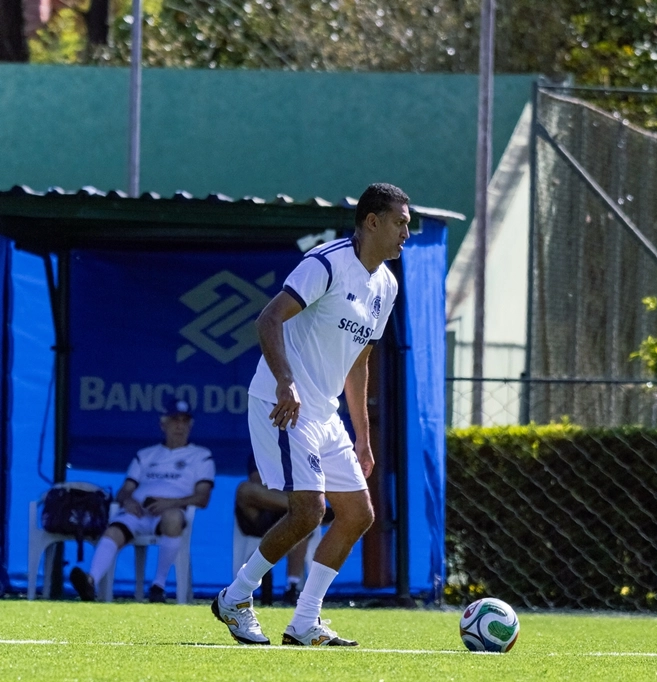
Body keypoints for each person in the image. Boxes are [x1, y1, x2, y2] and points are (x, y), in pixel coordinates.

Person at [212, 182, 410, 647]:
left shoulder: (386, 285)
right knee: (308, 512)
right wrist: (286, 381)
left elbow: (360, 362)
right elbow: (268, 319)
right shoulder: (326, 262)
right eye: (400, 223)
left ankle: (304, 622)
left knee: (358, 513)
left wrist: (362, 437)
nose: (406, 232)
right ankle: (237, 596)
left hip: (325, 412)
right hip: (283, 403)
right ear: (372, 221)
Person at [70, 398, 215, 603]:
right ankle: (90, 582)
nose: (180, 426)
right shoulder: (145, 455)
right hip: (139, 511)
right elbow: (125, 490)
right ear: (163, 424)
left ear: (190, 425)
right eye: (175, 420)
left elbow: (203, 497)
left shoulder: (201, 456)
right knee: (114, 529)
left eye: (185, 421)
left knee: (173, 518)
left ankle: (158, 586)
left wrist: (169, 503)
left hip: (169, 513)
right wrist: (127, 501)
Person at [234, 452, 311, 606]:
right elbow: (257, 483)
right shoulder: (260, 449)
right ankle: (301, 508)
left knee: (303, 522)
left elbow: (309, 486)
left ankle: (293, 586)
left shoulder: (301, 452)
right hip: (261, 516)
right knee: (244, 489)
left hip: (290, 518)